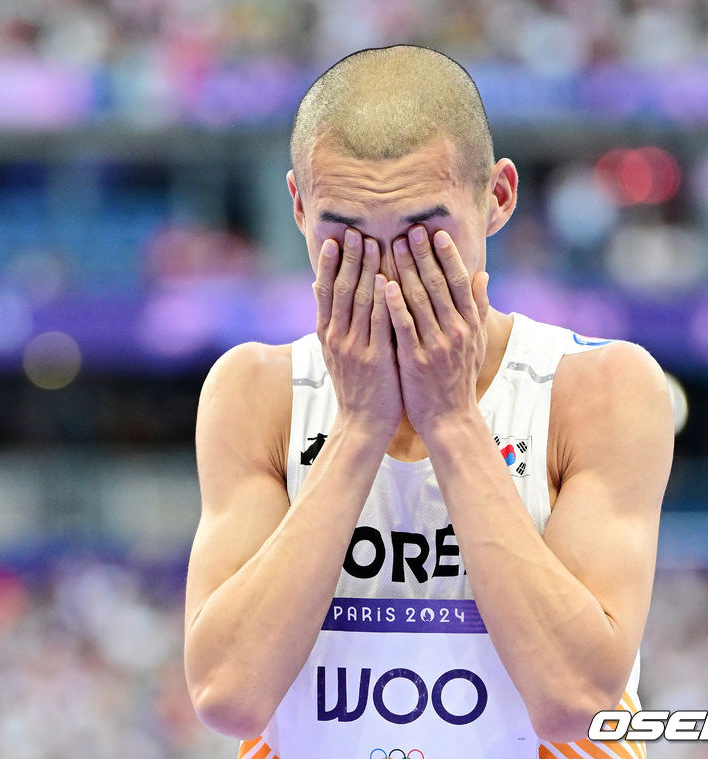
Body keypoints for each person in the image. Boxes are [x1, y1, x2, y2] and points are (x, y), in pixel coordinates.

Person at [183, 45, 673, 758]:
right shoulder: (255, 390)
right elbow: (230, 695)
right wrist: (357, 429)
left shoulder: (599, 388)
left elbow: (574, 702)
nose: (387, 270)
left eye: (423, 230)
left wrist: (449, 418)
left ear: (497, 197)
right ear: (296, 206)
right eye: (344, 234)